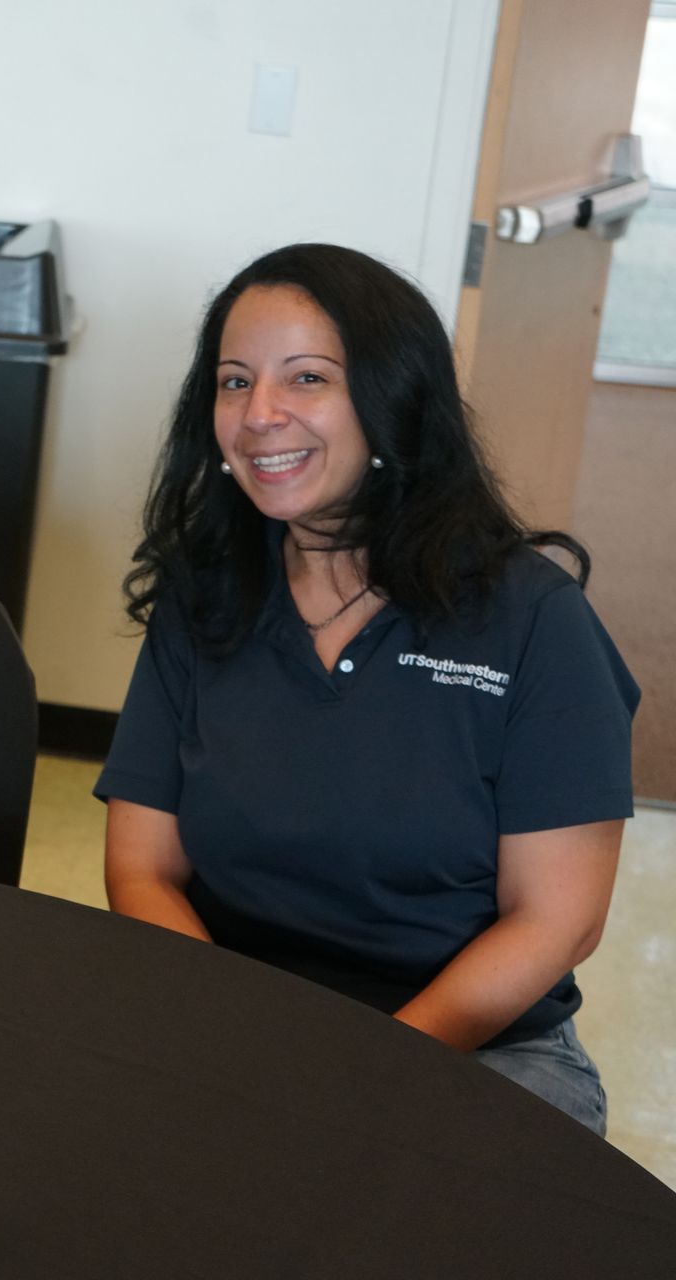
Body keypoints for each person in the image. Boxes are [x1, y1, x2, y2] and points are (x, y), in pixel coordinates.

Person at [95, 243, 638, 1134]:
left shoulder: (533, 621)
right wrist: (226, 1040)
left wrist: (354, 1075)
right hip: (230, 1019)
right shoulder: (207, 598)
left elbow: (557, 921)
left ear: (393, 399)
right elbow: (141, 868)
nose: (259, 413)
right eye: (234, 382)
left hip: (474, 1047)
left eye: (306, 378)